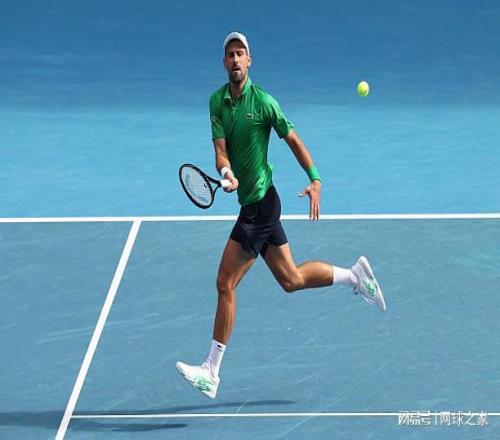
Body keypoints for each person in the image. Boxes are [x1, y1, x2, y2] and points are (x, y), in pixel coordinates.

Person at [176, 31, 386, 399]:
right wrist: (225, 172)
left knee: (225, 283)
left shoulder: (264, 103)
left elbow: (293, 140)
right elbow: (221, 151)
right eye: (230, 54)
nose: (235, 59)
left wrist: (315, 179)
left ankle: (211, 371)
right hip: (257, 203)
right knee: (291, 279)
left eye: (241, 53)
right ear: (224, 62)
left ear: (250, 61)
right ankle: (355, 276)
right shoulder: (216, 103)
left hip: (260, 206)